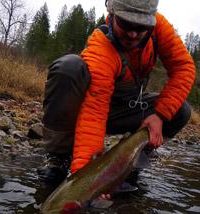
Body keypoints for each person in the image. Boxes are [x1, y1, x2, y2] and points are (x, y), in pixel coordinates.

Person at [38, 0, 196, 186]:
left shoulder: (160, 27)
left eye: (141, 26)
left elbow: (184, 68)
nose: (133, 33)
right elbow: (94, 113)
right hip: (90, 110)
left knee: (180, 111)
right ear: (111, 13)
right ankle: (59, 157)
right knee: (68, 67)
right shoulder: (101, 46)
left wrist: (159, 116)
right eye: (126, 23)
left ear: (151, 21)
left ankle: (131, 162)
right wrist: (85, 180)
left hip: (127, 107)